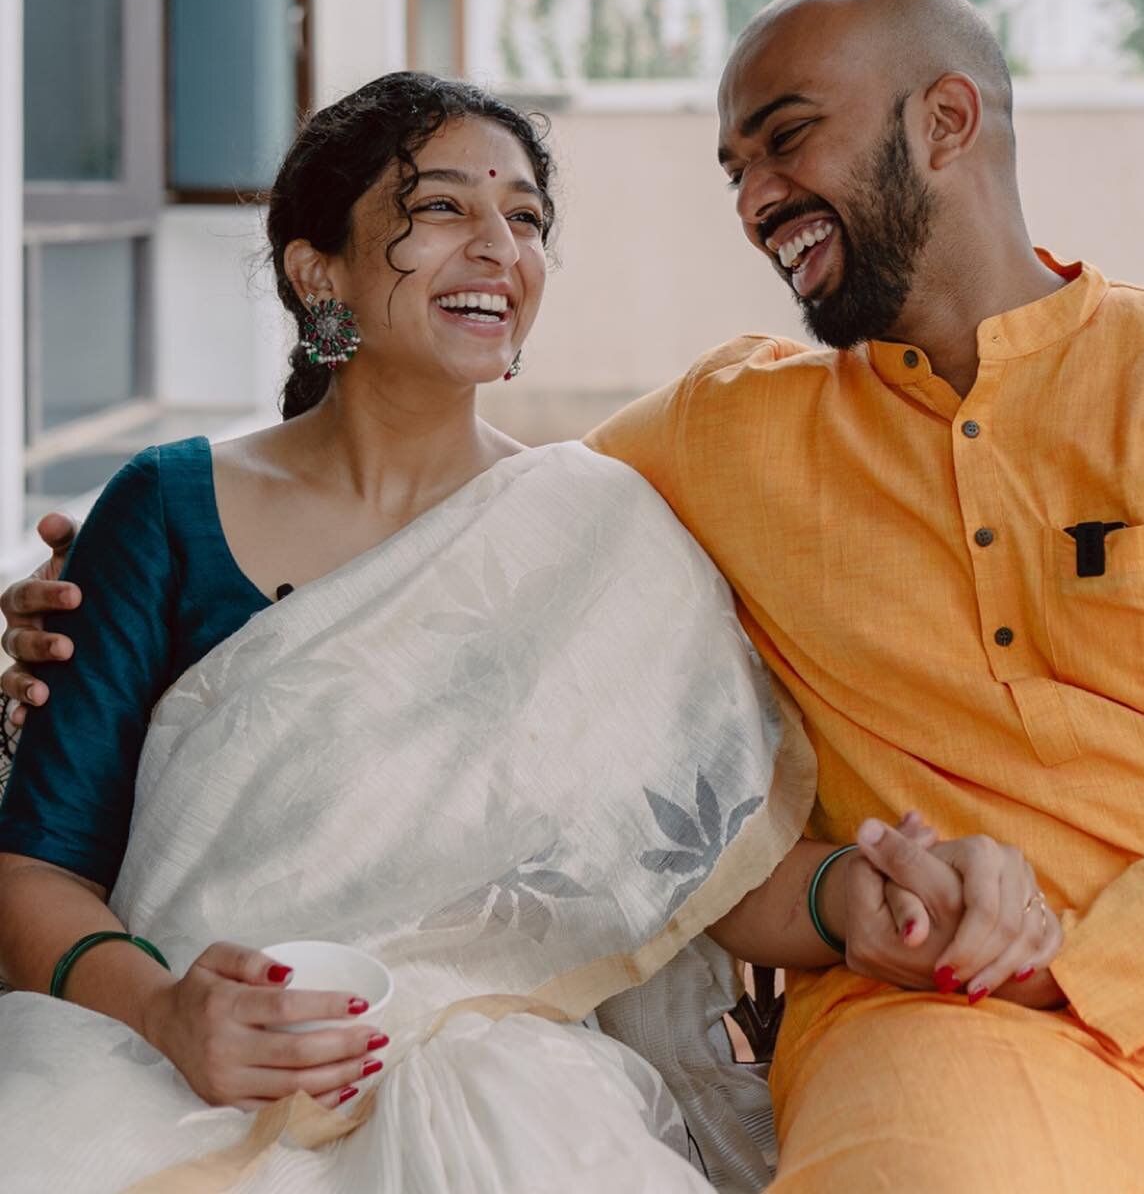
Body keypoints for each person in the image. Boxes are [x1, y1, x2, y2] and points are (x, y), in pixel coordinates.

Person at [15, 0, 1144, 1189]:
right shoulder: (715, 438)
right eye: (736, 170)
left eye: (786, 142)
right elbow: (453, 542)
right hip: (952, 1021)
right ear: (318, 268)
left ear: (947, 123)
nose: (756, 199)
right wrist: (124, 596)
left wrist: (1085, 947)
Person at [0, 69, 1058, 1194]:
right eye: (446, 206)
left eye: (527, 218)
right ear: (319, 270)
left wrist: (857, 898)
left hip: (501, 1090)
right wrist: (167, 1012)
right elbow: (34, 869)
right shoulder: (167, 510)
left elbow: (681, 862)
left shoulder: (597, 528)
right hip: (161, 1066)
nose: (500, 246)